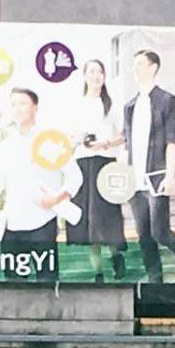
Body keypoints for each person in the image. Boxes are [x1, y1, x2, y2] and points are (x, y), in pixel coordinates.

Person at [0, 87, 83, 283]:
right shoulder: (7, 145)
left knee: (48, 283)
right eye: (13, 104)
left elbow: (75, 177)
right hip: (12, 225)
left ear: (35, 108)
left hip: (43, 222)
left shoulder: (51, 140)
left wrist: (56, 198)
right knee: (13, 285)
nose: (17, 109)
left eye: (23, 103)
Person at [122, 49, 175, 284]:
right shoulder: (129, 106)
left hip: (156, 175)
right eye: (134, 64)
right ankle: (155, 279)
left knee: (160, 231)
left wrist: (169, 175)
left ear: (153, 68)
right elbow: (126, 141)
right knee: (144, 235)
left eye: (140, 64)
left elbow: (172, 140)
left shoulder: (166, 100)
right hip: (134, 177)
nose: (135, 69)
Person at [67, 60, 129, 283]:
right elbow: (69, 138)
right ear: (84, 76)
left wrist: (106, 143)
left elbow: (124, 134)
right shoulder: (76, 105)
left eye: (100, 72)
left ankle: (116, 256)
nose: (96, 76)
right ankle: (98, 272)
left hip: (106, 163)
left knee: (107, 214)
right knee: (88, 219)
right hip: (83, 164)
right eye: (91, 72)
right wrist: (80, 139)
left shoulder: (112, 104)